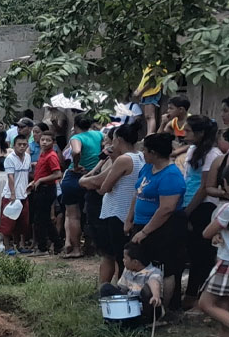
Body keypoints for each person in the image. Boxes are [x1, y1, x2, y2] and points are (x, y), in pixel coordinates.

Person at [126, 132, 189, 312]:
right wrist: (129, 219)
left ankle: (166, 308)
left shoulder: (171, 175)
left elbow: (166, 209)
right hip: (141, 223)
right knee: (142, 262)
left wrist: (145, 231)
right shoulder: (147, 168)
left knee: (167, 267)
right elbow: (137, 193)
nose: (142, 153)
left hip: (164, 228)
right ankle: (143, 302)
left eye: (144, 150)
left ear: (153, 152)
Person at [84, 121, 144, 287]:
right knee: (124, 254)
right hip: (130, 210)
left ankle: (120, 290)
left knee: (119, 255)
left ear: (119, 140)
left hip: (117, 211)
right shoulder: (140, 156)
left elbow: (104, 188)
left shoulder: (123, 159)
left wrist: (94, 179)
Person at [182, 116, 223, 306]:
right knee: (190, 250)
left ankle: (196, 295)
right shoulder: (192, 150)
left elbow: (204, 187)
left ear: (200, 133)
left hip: (203, 206)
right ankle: (192, 293)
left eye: (188, 131)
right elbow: (188, 178)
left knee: (202, 254)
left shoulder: (212, 154)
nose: (185, 133)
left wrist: (188, 211)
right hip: (187, 202)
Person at [61, 114, 102, 258]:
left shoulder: (76, 138)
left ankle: (76, 249)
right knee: (92, 213)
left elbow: (76, 151)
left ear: (75, 126)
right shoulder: (99, 134)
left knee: (73, 215)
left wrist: (77, 164)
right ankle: (93, 246)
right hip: (93, 175)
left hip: (75, 176)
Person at [199, 200, 229, 337]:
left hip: (226, 263)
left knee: (206, 303)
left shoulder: (226, 208)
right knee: (223, 307)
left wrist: (217, 231)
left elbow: (206, 233)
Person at [29, 131, 62, 255]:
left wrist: (41, 180)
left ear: (53, 142)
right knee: (44, 219)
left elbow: (57, 174)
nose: (44, 142)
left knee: (40, 220)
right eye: (43, 139)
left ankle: (42, 247)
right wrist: (34, 182)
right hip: (40, 187)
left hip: (46, 189)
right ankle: (57, 244)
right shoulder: (43, 154)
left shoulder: (51, 155)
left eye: (48, 140)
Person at [0, 133, 32, 255]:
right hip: (10, 195)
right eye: (19, 144)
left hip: (23, 194)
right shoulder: (10, 158)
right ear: (14, 145)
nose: (22, 147)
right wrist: (13, 193)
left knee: (22, 223)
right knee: (8, 222)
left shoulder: (28, 157)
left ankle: (20, 245)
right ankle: (7, 246)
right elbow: (10, 177)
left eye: (24, 144)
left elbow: (28, 174)